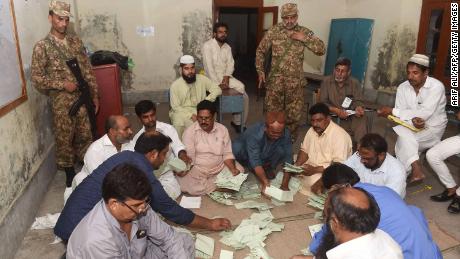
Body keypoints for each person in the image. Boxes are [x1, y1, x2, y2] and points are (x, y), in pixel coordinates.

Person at [55, 132, 232, 241]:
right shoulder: (142, 173)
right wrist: (210, 223)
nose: (164, 160)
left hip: (67, 221)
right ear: (153, 154)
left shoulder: (125, 155)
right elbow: (170, 209)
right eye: (164, 155)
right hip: (78, 234)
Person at [306, 163, 442, 259]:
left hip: (402, 255)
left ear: (335, 188)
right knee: (412, 210)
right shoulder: (382, 190)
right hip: (433, 254)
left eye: (328, 192)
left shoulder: (344, 204)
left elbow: (320, 243)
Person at [31, 0, 99, 188]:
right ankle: (69, 174)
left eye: (66, 19)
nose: (63, 23)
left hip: (82, 97)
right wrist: (61, 84)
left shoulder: (75, 41)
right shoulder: (42, 47)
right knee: (65, 138)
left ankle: (88, 167)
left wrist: (94, 95)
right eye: (59, 19)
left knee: (86, 134)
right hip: (61, 102)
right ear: (50, 17)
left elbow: (87, 69)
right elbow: (37, 78)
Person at [67, 164, 195, 258]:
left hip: (139, 254)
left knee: (184, 241)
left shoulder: (139, 207)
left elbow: (168, 238)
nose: (144, 208)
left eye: (145, 201)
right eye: (138, 204)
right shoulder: (97, 241)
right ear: (114, 204)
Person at [255, 3, 325, 141]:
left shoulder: (304, 32)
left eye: (292, 17)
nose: (289, 21)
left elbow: (321, 49)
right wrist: (260, 71)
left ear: (297, 16)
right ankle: (271, 141)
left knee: (293, 116)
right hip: (275, 84)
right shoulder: (273, 31)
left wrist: (304, 38)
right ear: (282, 18)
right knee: (273, 115)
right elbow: (260, 51)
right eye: (286, 18)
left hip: (295, 84)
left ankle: (288, 142)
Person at [377, 54, 447, 183]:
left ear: (426, 72)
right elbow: (402, 116)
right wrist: (411, 120)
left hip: (433, 128)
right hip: (410, 126)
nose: (410, 77)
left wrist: (392, 111)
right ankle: (414, 169)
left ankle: (406, 172)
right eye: (408, 72)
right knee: (404, 135)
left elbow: (424, 113)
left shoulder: (437, 87)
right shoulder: (403, 87)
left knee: (403, 140)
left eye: (415, 73)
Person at [127, 100, 192, 200]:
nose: (150, 119)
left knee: (173, 193)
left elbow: (178, 146)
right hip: (149, 177)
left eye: (152, 115)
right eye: (145, 117)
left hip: (167, 175)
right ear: (139, 118)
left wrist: (182, 155)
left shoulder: (168, 129)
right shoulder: (138, 139)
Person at [177, 100, 243, 195]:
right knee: (184, 182)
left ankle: (208, 186)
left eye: (207, 118)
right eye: (200, 118)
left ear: (214, 116)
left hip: (220, 168)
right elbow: (190, 158)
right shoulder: (189, 132)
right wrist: (184, 170)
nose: (203, 121)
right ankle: (219, 186)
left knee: (239, 170)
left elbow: (227, 154)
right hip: (198, 170)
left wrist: (233, 169)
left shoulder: (222, 130)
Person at [283, 103, 351, 195]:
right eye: (313, 121)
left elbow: (337, 167)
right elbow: (304, 150)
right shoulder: (312, 130)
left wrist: (314, 170)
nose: (315, 124)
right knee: (290, 164)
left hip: (328, 170)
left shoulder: (340, 136)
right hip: (311, 165)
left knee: (314, 181)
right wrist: (297, 166)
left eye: (319, 120)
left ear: (328, 118)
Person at [202, 22, 249, 132]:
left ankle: (237, 122)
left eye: (225, 32)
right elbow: (208, 67)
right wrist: (217, 84)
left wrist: (227, 76)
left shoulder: (227, 47)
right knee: (215, 96)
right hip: (211, 79)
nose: (223, 34)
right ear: (214, 34)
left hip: (225, 77)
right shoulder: (207, 46)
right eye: (220, 32)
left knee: (242, 89)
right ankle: (213, 125)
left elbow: (230, 64)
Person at [232, 111, 293, 193]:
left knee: (281, 151)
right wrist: (265, 183)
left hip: (264, 152)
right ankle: (253, 167)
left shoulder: (286, 134)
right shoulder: (254, 133)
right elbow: (255, 160)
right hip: (246, 152)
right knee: (236, 148)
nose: (276, 136)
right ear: (265, 128)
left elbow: (288, 159)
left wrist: (285, 184)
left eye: (279, 133)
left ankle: (267, 167)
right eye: (273, 133)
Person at [70, 115, 133, 192]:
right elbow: (100, 181)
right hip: (98, 189)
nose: (131, 131)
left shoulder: (129, 143)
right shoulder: (95, 151)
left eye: (129, 127)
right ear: (112, 131)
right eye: (126, 129)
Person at [169, 54, 222, 137]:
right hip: (182, 112)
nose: (190, 71)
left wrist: (206, 101)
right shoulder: (175, 86)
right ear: (181, 70)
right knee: (178, 121)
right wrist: (191, 115)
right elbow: (175, 107)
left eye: (192, 68)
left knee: (206, 120)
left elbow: (217, 89)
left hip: (199, 109)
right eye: (186, 69)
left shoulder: (202, 79)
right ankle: (179, 147)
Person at [320, 57, 367, 143]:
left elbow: (358, 100)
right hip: (332, 115)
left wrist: (358, 107)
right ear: (334, 70)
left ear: (348, 72)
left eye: (343, 71)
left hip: (349, 115)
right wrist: (336, 110)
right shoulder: (326, 81)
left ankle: (361, 149)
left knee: (362, 119)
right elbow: (322, 103)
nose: (339, 73)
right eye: (337, 70)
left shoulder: (354, 83)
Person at [344, 133, 406, 197]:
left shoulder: (397, 171)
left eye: (367, 158)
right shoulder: (360, 155)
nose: (361, 160)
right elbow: (342, 171)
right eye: (360, 156)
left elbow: (388, 199)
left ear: (381, 155)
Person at [427, 110, 460, 214]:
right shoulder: (455, 93)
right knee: (432, 155)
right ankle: (451, 188)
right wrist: (456, 108)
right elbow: (454, 103)